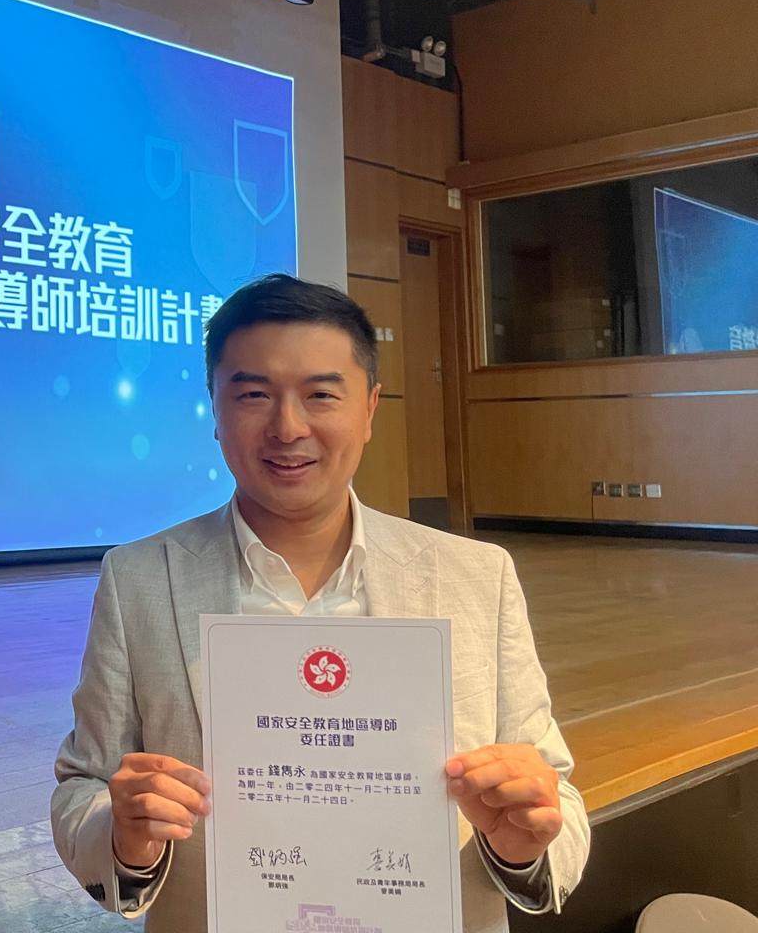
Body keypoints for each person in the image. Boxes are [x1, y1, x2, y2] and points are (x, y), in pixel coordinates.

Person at [50, 274, 589, 933]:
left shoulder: (476, 576)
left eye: (321, 394)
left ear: (369, 408)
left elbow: (554, 788)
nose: (287, 427)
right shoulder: (139, 579)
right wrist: (123, 833)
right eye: (252, 394)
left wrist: (524, 841)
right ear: (214, 409)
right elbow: (84, 783)